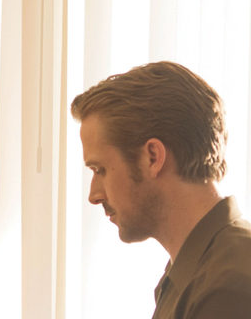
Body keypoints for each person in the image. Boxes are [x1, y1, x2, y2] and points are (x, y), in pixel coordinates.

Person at [70, 61, 251, 318]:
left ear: (153, 157)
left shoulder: (229, 285)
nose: (93, 195)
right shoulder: (196, 270)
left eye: (100, 170)